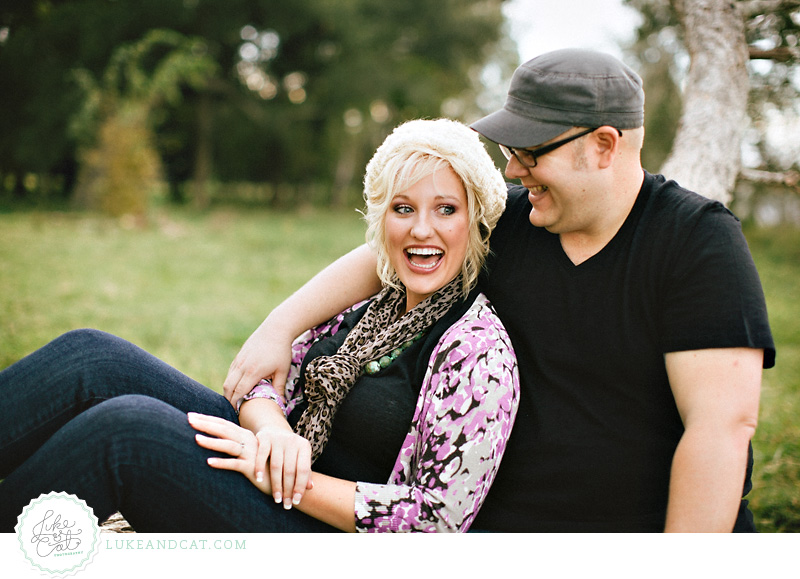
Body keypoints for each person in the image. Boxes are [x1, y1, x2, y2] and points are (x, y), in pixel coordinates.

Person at [224, 49, 776, 532]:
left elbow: (720, 431)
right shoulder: (519, 219)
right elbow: (392, 252)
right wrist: (279, 328)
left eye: (530, 151)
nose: (512, 169)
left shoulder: (696, 242)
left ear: (604, 145)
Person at [0, 118, 519, 533]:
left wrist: (285, 475)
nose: (421, 229)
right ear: (382, 219)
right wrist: (272, 432)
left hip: (327, 538)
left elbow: (434, 521)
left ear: (474, 222)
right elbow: (265, 384)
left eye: (445, 209)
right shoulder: (372, 299)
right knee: (92, 358)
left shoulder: (478, 351)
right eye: (403, 208)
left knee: (127, 434)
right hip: (273, 471)